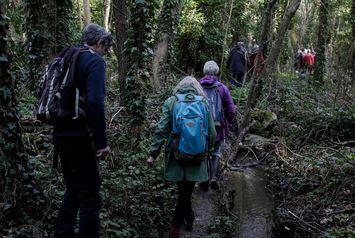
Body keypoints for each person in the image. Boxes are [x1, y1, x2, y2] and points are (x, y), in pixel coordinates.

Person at [53, 23, 112, 238]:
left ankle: (62, 233)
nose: (105, 50)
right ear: (98, 43)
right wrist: (102, 143)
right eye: (105, 45)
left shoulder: (67, 56)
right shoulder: (94, 61)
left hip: (60, 133)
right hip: (78, 135)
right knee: (90, 195)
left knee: (73, 191)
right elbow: (96, 103)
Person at [147, 76, 216, 238]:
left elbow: (161, 129)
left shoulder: (171, 102)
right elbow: (212, 134)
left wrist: (153, 154)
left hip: (176, 154)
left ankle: (176, 228)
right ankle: (187, 219)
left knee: (182, 191)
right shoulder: (204, 103)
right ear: (197, 89)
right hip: (198, 155)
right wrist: (208, 151)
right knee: (186, 192)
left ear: (179, 87)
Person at [199, 61, 236, 189]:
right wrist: (227, 123)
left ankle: (203, 179)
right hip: (217, 126)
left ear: (204, 72)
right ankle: (213, 177)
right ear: (217, 72)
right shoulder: (222, 88)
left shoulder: (197, 87)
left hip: (201, 127)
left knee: (203, 151)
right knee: (216, 150)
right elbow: (231, 110)